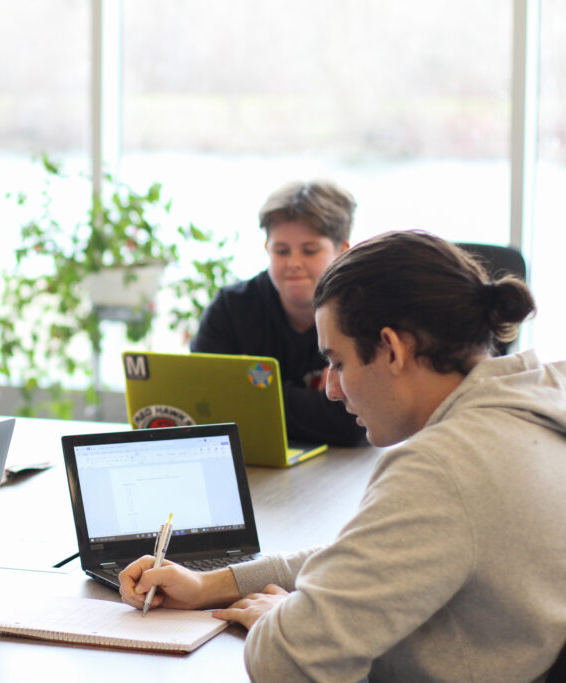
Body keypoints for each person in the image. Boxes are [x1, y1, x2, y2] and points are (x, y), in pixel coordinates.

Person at [121, 230, 566, 681]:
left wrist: (288, 619)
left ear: (392, 349)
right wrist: (212, 585)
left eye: (338, 363)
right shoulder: (536, 402)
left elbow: (286, 663)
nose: (331, 389)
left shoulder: (443, 466)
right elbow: (369, 552)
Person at [191, 180, 364, 446]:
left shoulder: (362, 313)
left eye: (310, 250)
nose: (293, 263)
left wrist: (250, 395)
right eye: (281, 251)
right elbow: (204, 405)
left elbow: (355, 424)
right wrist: (314, 405)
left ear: (342, 251)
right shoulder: (231, 308)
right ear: (267, 250)